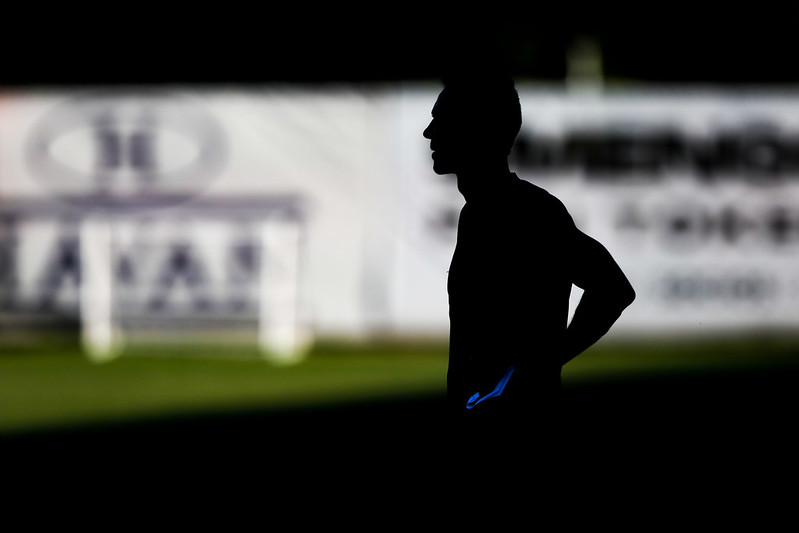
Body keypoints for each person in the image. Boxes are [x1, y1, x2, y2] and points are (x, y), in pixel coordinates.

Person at [423, 74, 636, 436]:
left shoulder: (529, 212)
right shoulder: (478, 213)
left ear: (475, 130)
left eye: (441, 121)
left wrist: (541, 366)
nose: (429, 133)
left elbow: (614, 288)